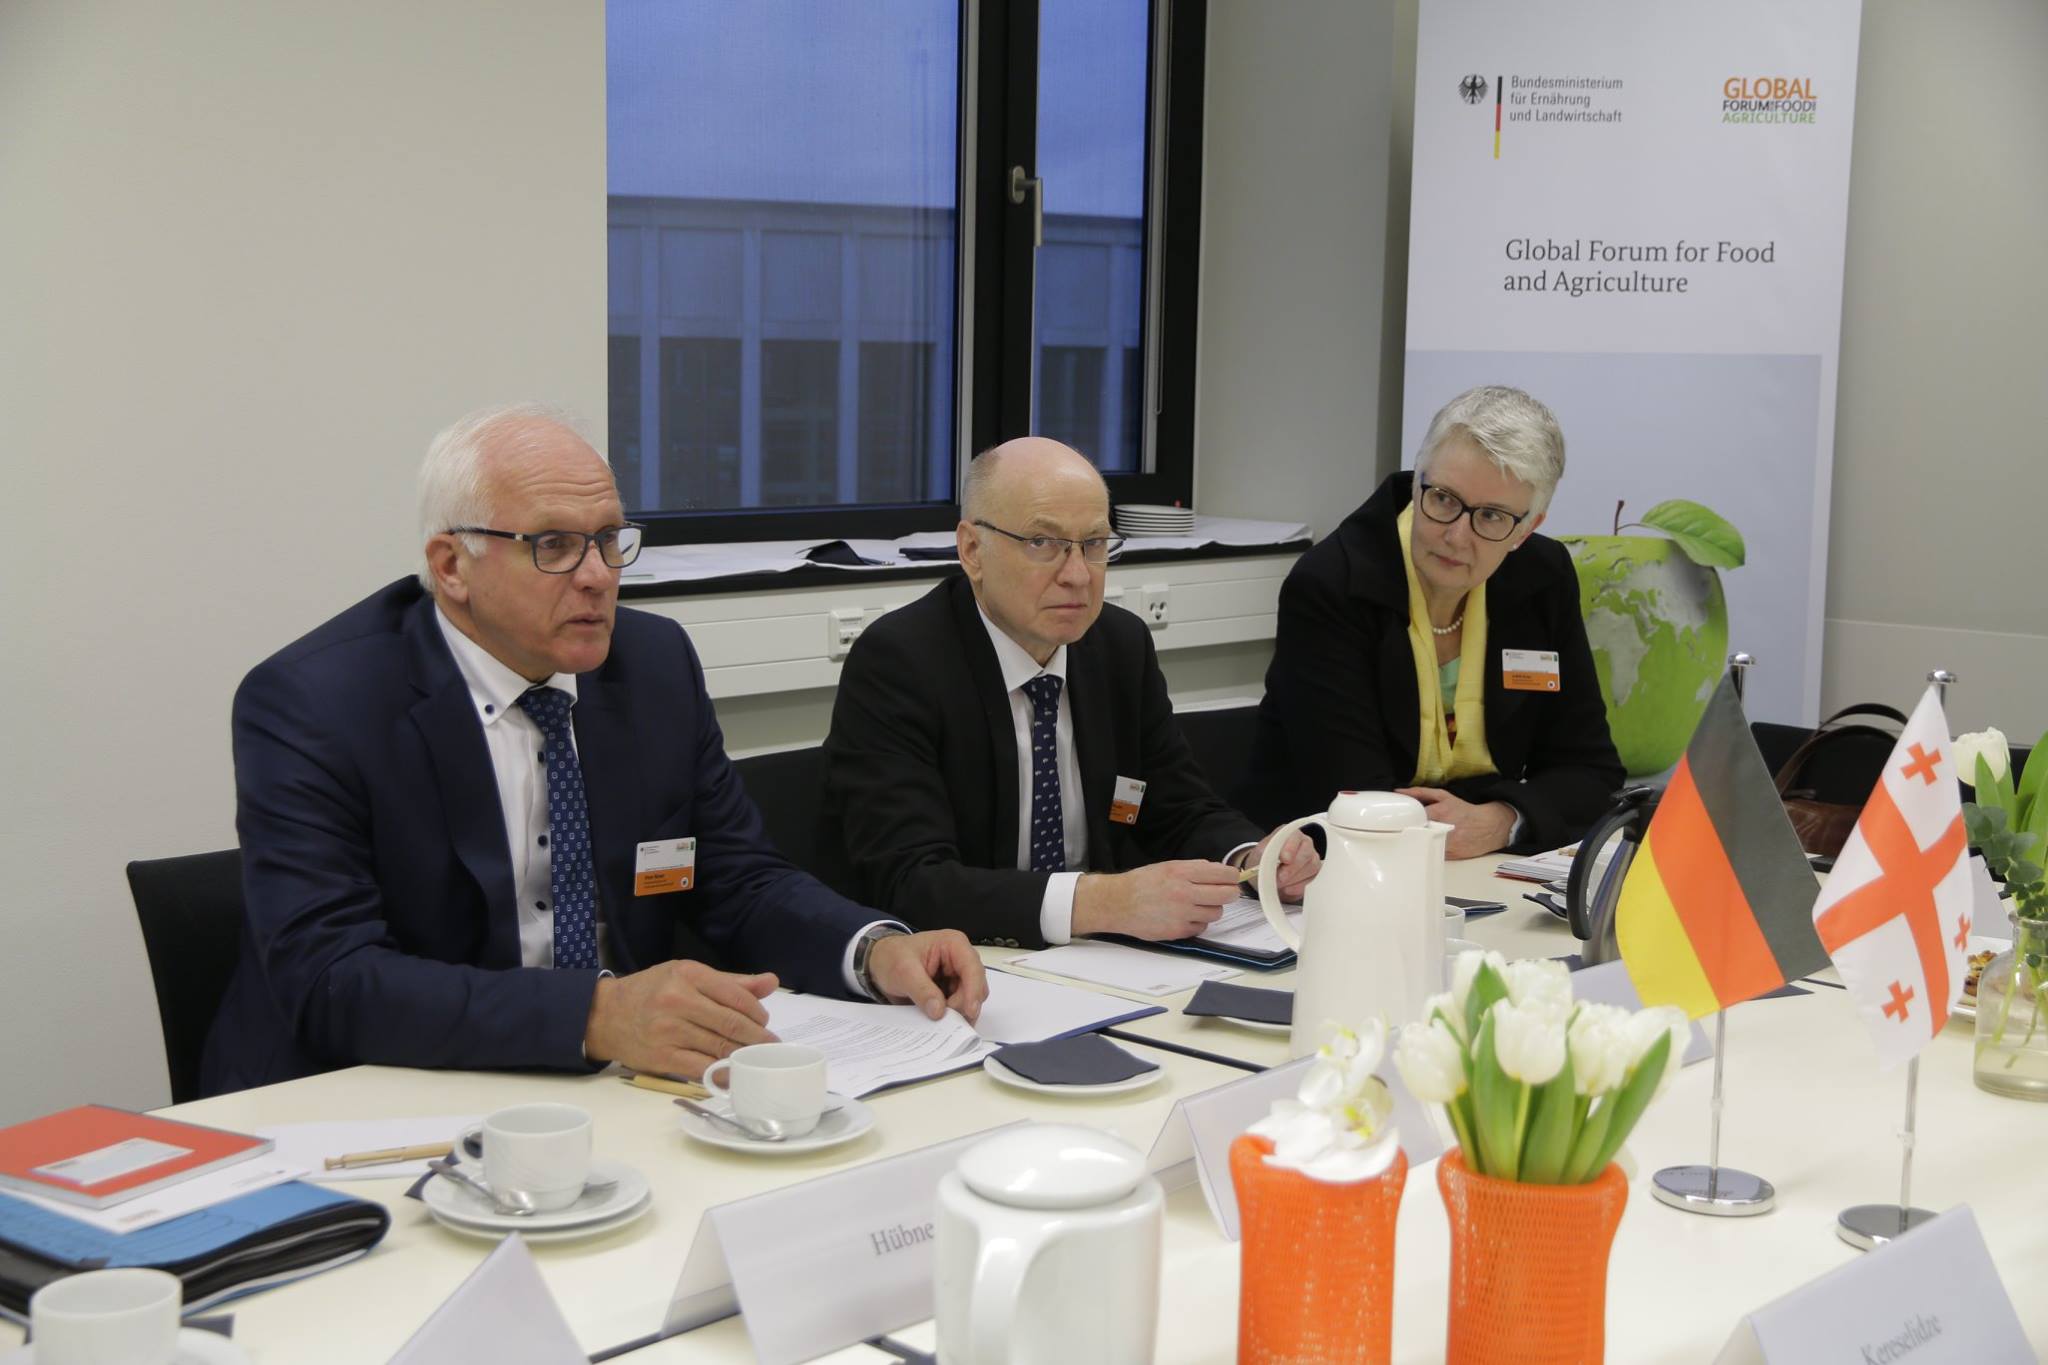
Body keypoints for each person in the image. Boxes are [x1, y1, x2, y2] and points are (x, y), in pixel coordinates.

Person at [201, 404, 985, 1095]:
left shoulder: (654, 665)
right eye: (554, 545)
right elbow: (331, 978)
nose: (597, 577)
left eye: (610, 540)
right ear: (451, 567)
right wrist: (595, 1013)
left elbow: (738, 880)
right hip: (369, 1096)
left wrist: (872, 949)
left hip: (613, 1086)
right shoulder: (316, 703)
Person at [820, 437, 1317, 949]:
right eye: (1042, 542)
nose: (1078, 575)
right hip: (968, 960)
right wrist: (1103, 901)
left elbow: (1175, 808)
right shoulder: (902, 662)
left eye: (1094, 544)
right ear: (972, 550)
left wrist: (1252, 857)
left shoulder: (1118, 646)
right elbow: (911, 881)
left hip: (1105, 959)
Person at [1237, 385, 1623, 857]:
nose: (1456, 535)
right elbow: (1351, 796)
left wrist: (1503, 820)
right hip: (1321, 865)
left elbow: (1591, 771)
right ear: (1417, 480)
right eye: (1442, 498)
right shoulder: (1333, 584)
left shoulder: (1543, 577)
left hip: (1479, 865)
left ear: (1526, 529)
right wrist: (1476, 822)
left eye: (1491, 516)